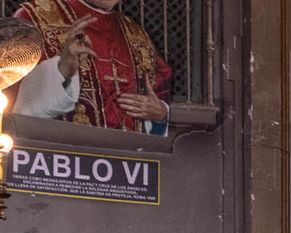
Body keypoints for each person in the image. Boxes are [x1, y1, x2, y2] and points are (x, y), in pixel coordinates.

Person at [12, 0, 172, 133]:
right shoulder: (34, 18)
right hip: (59, 162)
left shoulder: (135, 33)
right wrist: (62, 69)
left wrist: (160, 114)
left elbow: (159, 94)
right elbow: (12, 97)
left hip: (127, 164)